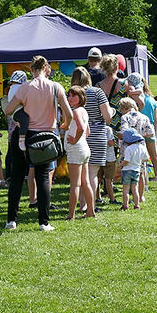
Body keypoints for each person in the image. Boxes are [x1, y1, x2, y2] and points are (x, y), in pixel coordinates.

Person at [3, 55, 71, 232]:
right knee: (43, 178)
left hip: (23, 135)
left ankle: (11, 220)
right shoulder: (56, 87)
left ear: (31, 69)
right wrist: (64, 125)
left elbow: (8, 110)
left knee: (17, 177)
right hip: (46, 137)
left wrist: (21, 113)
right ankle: (43, 222)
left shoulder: (25, 87)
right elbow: (68, 114)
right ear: (47, 68)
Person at [71, 67, 112, 211]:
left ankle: (83, 204)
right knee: (93, 173)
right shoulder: (97, 92)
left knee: (81, 173)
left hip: (78, 135)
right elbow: (108, 117)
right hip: (97, 133)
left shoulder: (71, 94)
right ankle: (90, 204)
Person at [126, 73, 157, 192]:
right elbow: (156, 121)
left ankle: (144, 184)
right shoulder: (152, 100)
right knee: (155, 157)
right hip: (151, 130)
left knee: (143, 159)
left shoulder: (134, 100)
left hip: (139, 131)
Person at [61, 86, 95, 220]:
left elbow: (81, 128)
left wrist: (74, 140)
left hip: (76, 150)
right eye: (69, 95)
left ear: (81, 97)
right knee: (85, 182)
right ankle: (90, 211)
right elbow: (88, 132)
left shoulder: (76, 112)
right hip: (84, 149)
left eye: (73, 95)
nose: (70, 98)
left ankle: (71, 215)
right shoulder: (83, 111)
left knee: (75, 184)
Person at [118, 97, 154, 206]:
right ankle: (140, 196)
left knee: (127, 170)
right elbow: (151, 133)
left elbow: (124, 132)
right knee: (141, 171)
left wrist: (119, 135)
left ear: (124, 108)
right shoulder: (144, 117)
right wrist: (141, 134)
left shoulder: (125, 117)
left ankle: (129, 195)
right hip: (141, 147)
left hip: (128, 147)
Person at [118, 128, 148, 210]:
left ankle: (125, 205)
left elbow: (126, 160)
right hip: (137, 170)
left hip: (127, 170)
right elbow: (147, 159)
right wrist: (139, 161)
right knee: (135, 188)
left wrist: (120, 165)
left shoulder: (129, 148)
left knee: (126, 189)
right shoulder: (142, 148)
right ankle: (137, 205)